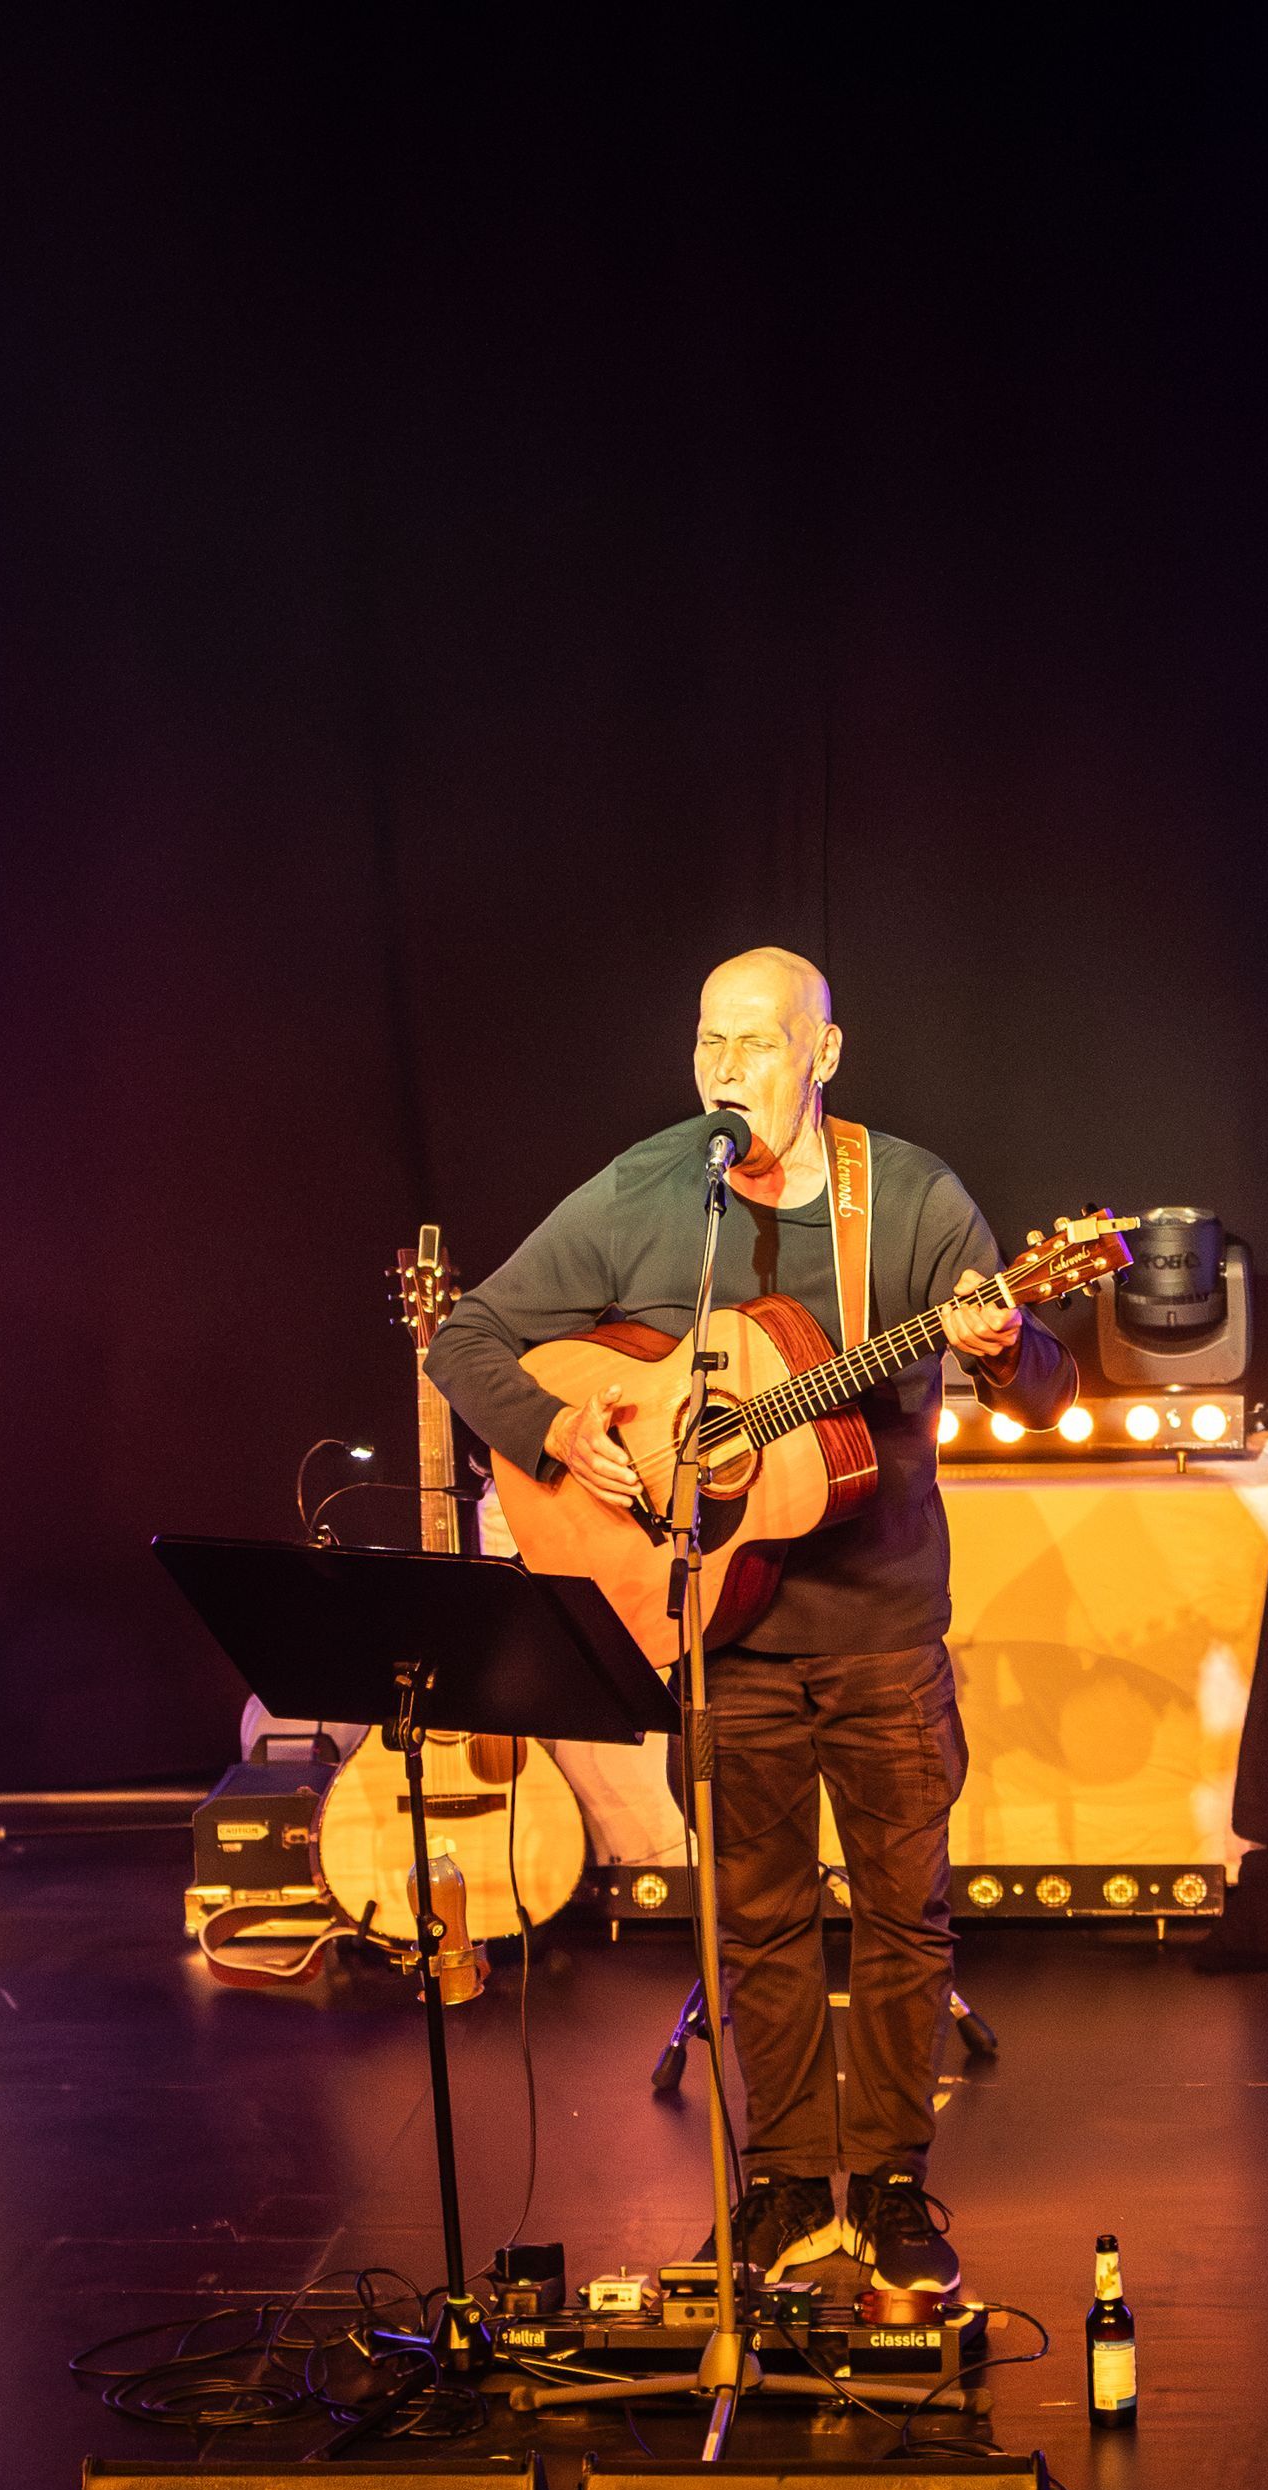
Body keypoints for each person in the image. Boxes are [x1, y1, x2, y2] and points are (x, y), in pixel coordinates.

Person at [424, 947, 1071, 2292]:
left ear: (823, 1057)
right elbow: (468, 1338)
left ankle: (891, 2184)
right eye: (710, 1044)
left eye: (759, 1045)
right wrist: (559, 1432)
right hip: (715, 1630)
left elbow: (1041, 1387)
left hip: (883, 1627)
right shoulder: (653, 1185)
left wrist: (1008, 1344)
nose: (729, 1071)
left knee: (902, 1918)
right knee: (751, 1922)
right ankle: (777, 2186)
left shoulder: (914, 1197)